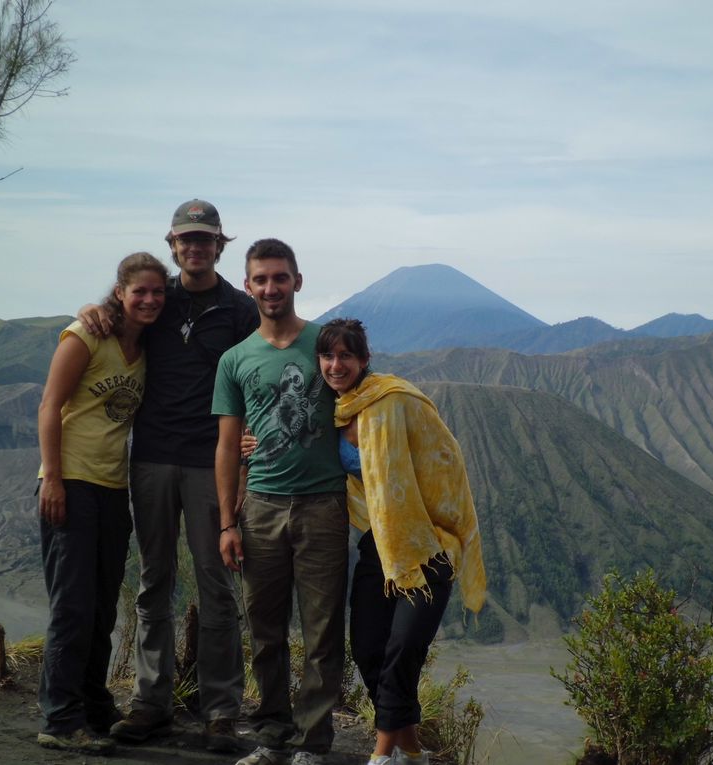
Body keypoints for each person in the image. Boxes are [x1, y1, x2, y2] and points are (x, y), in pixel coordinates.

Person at [79, 199, 257, 753]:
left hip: (212, 461)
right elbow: (112, 318)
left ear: (219, 245)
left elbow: (261, 368)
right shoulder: (156, 299)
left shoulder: (239, 308)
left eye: (205, 239)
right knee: (155, 582)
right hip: (151, 458)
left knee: (215, 584)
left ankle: (221, 710)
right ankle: (149, 703)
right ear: (173, 243)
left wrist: (258, 435)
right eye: (186, 239)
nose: (195, 247)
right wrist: (94, 310)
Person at [315, 318, 486, 765]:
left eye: (346, 356)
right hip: (380, 543)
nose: (336, 365)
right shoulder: (331, 411)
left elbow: (445, 457)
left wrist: (440, 519)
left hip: (427, 547)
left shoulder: (395, 401)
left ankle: (381, 754)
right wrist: (249, 444)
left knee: (402, 650)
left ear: (365, 360)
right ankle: (413, 751)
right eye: (328, 356)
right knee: (368, 648)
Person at [213, 238, 348, 765]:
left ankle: (313, 743)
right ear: (248, 287)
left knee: (321, 631)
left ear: (297, 281)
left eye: (280, 277)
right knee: (265, 630)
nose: (271, 287)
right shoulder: (235, 359)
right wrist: (228, 523)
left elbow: (361, 397)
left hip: (323, 506)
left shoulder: (325, 344)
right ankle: (271, 736)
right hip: (262, 506)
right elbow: (227, 444)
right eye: (261, 279)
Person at [36, 252, 168, 755]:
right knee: (72, 605)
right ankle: (59, 717)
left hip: (113, 488)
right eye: (141, 292)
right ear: (121, 292)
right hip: (70, 480)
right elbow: (50, 405)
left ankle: (93, 706)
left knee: (100, 606)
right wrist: (51, 478)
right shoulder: (85, 335)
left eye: (158, 292)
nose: (150, 300)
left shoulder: (148, 346)